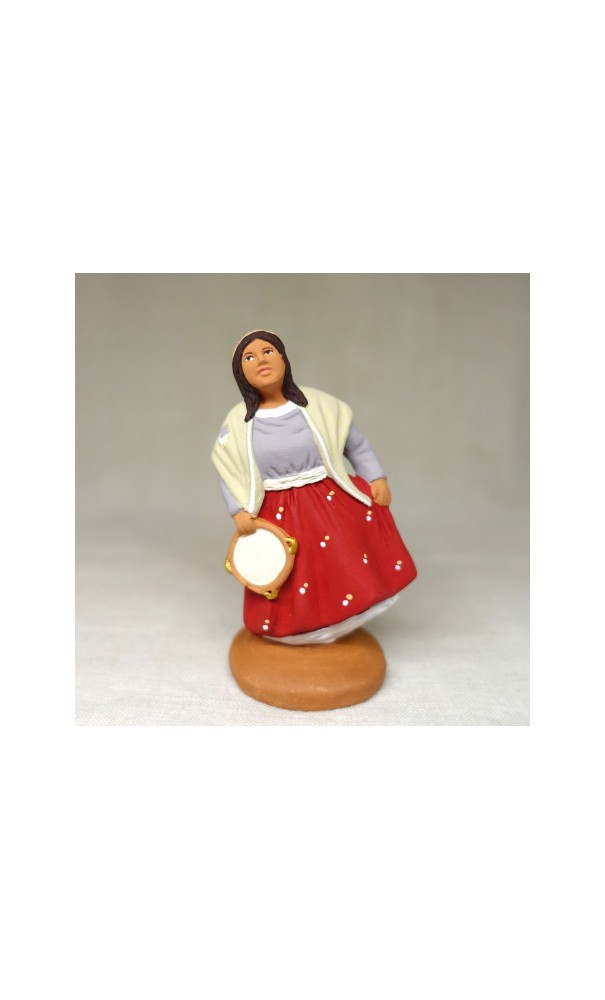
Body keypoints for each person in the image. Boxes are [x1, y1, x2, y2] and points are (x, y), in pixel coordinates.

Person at [211, 330, 417, 644]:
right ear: (241, 373)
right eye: (249, 357)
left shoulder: (319, 405)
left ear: (283, 358)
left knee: (339, 558)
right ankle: (299, 629)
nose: (261, 360)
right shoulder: (238, 422)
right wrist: (238, 511)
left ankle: (342, 619)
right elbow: (228, 471)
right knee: (294, 571)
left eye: (268, 351)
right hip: (276, 511)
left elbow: (356, 445)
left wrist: (375, 477)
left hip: (327, 499)